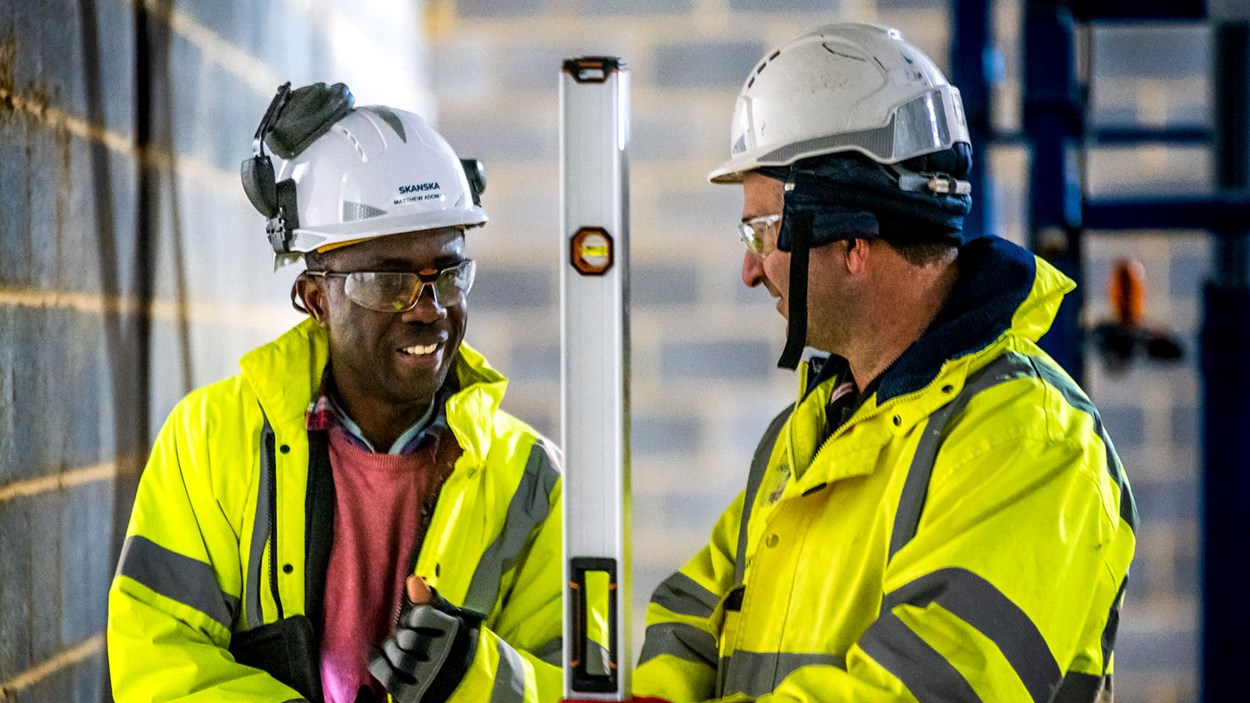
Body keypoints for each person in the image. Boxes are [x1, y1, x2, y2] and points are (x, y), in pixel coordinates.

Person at [633, 24, 1137, 702]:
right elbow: (689, 618)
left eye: (762, 230)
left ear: (852, 237)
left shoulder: (1031, 441)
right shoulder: (808, 434)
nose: (750, 268)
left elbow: (922, 690)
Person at [108, 82, 563, 703]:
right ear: (315, 298)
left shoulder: (531, 482)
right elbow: (157, 661)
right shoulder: (211, 441)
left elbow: (580, 690)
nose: (427, 309)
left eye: (448, 272)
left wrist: (475, 675)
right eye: (386, 281)